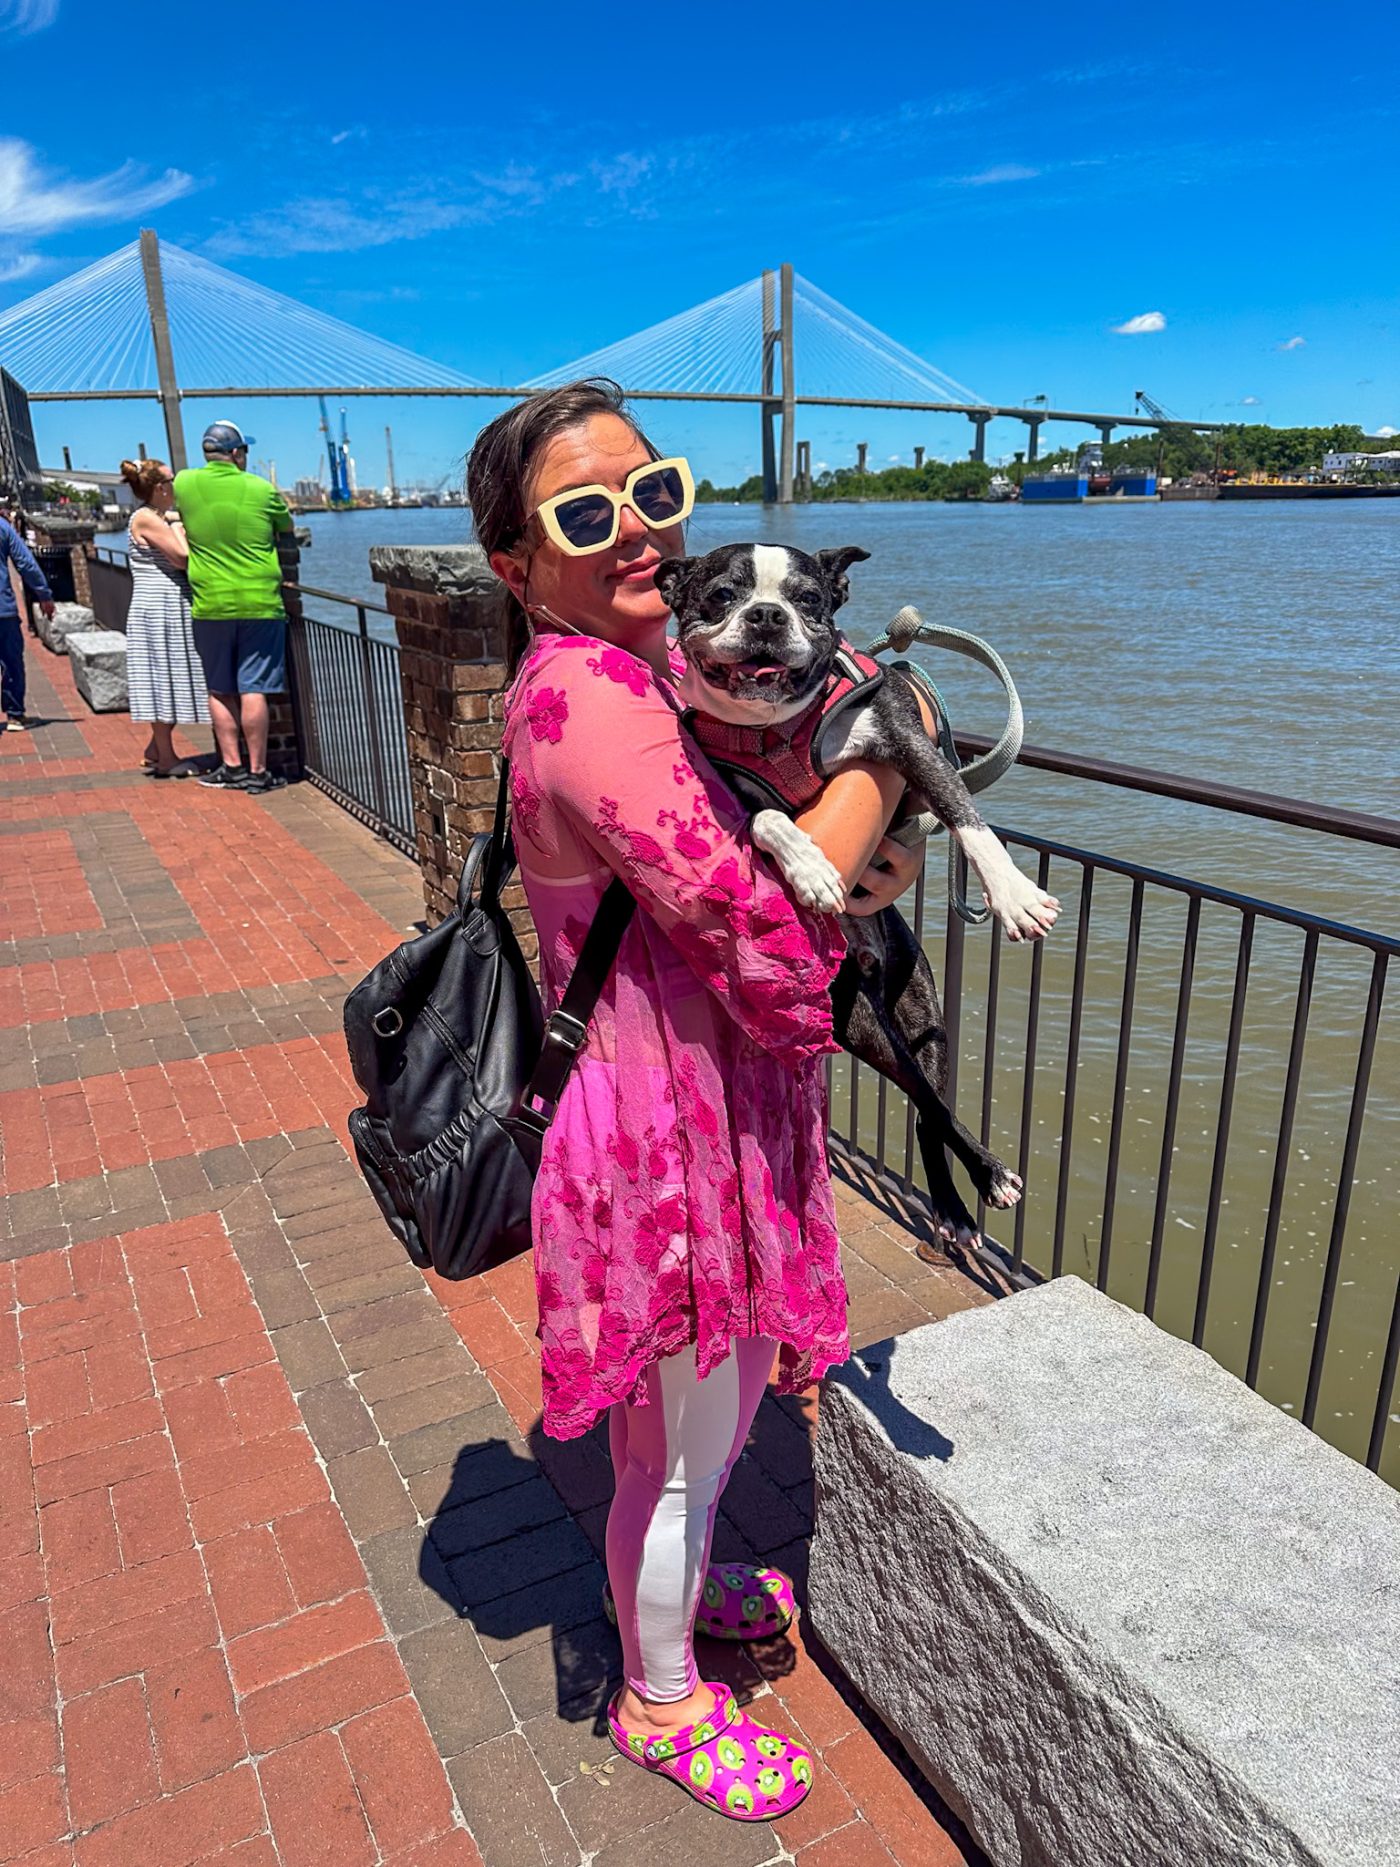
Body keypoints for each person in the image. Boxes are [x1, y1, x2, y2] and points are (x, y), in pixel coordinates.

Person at [468, 379, 923, 1823]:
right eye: (581, 515)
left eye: (651, 491)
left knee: (685, 1434)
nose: (636, 531)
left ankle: (675, 1579)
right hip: (665, 1131)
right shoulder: (597, 701)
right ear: (514, 565)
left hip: (686, 1102)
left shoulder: (626, 677)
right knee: (680, 1448)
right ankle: (658, 1696)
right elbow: (770, 935)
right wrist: (886, 758)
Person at [173, 419, 293, 793]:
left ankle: (231, 767)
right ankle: (258, 772)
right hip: (260, 601)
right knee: (253, 688)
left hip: (210, 602)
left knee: (220, 690)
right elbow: (286, 526)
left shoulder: (184, 483)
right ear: (237, 453)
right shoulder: (262, 488)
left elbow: (178, 513)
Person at [119, 458, 208, 776]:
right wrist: (180, 529)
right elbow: (182, 558)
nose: (176, 485)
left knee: (169, 676)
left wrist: (176, 519)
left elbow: (170, 520)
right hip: (159, 608)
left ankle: (157, 749)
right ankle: (167, 760)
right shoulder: (147, 518)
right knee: (162, 678)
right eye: (172, 480)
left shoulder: (150, 515)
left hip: (161, 606)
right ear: (160, 488)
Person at [0, 503, 55, 731]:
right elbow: (25, 563)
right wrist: (44, 595)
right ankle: (14, 715)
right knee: (11, 661)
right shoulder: (3, 527)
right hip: (2, 609)